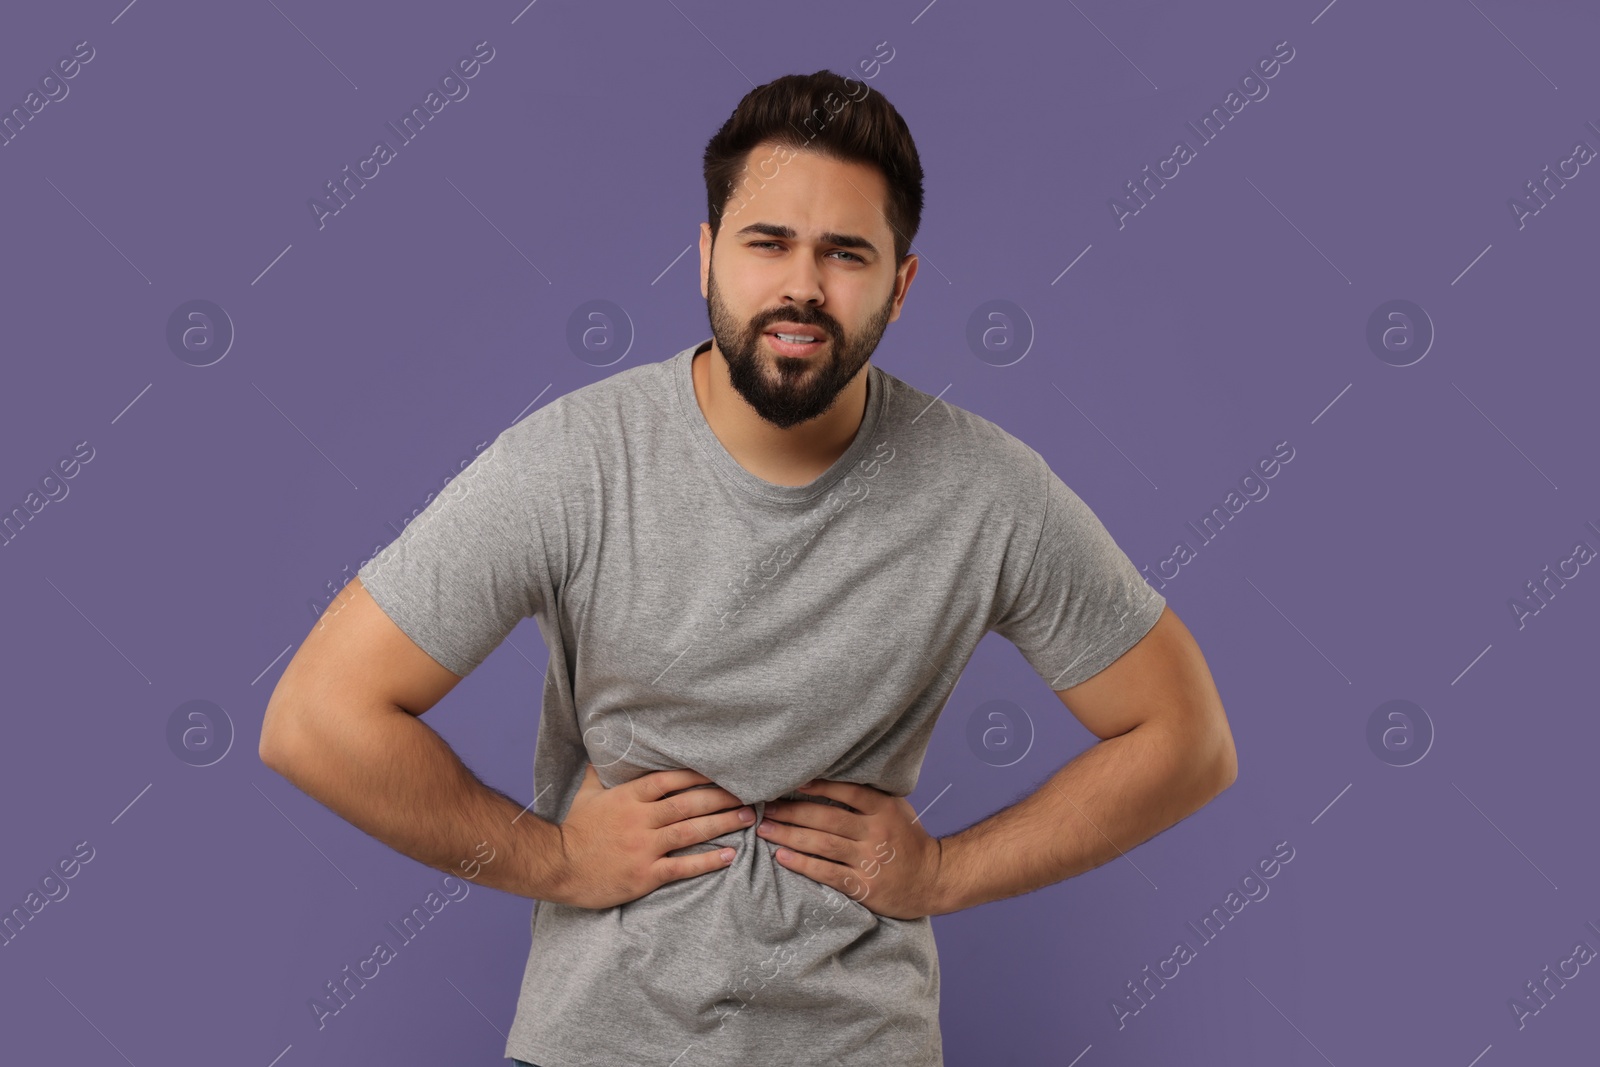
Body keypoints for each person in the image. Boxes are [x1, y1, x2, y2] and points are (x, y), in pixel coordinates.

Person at [259, 69, 1236, 1066]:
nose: (801, 287)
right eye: (766, 242)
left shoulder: (988, 491)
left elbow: (1187, 739)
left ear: (900, 287)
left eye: (844, 253)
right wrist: (552, 856)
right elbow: (317, 718)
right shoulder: (573, 461)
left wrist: (942, 869)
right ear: (705, 257)